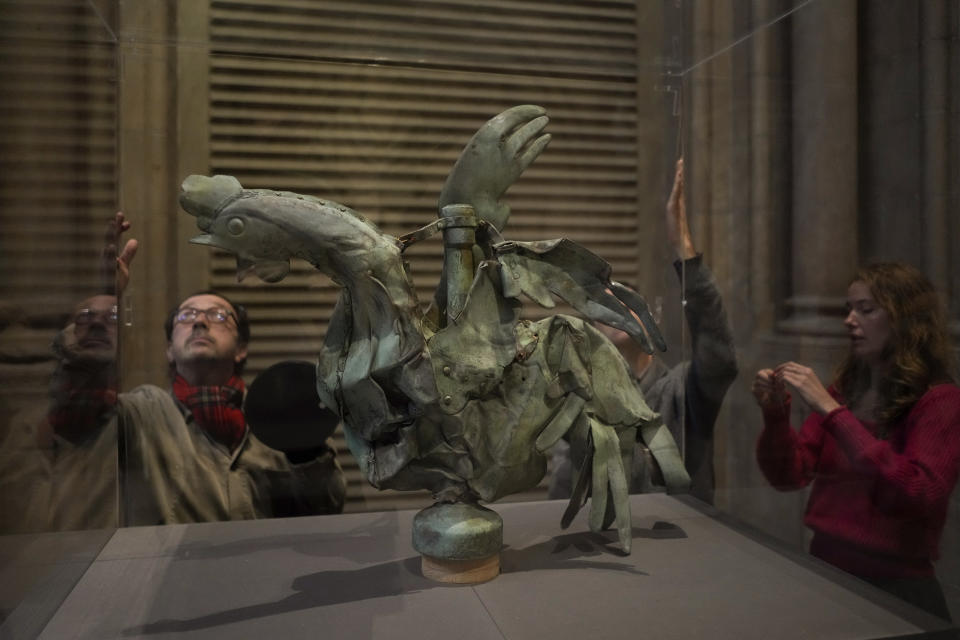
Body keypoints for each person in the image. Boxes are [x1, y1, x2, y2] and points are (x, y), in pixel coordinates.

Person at [0, 213, 346, 531]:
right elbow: (78, 405)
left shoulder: (270, 418)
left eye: (219, 316)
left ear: (241, 348)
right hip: (168, 589)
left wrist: (306, 450)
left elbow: (324, 510)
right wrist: (106, 300)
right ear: (169, 349)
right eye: (186, 316)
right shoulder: (144, 412)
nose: (199, 321)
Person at [752, 262, 960, 620]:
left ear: (904, 318)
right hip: (826, 569)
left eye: (866, 309)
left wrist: (833, 413)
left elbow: (919, 491)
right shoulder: (848, 388)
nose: (850, 320)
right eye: (849, 309)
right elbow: (790, 475)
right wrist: (775, 415)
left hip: (897, 585)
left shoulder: (939, 400)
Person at [550, 158, 739, 504]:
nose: (613, 312)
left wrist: (684, 251)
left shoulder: (679, 390)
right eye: (601, 309)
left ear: (648, 319)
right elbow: (563, 491)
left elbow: (720, 358)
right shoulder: (582, 401)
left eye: (623, 302)